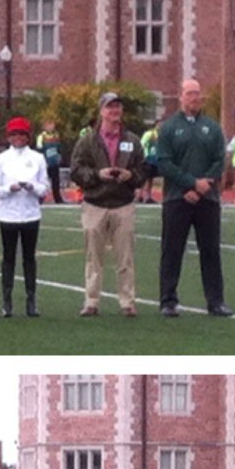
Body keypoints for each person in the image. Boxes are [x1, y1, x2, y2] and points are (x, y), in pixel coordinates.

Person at [156, 78, 231, 318]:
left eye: (197, 93)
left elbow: (220, 159)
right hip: (177, 199)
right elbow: (164, 163)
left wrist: (203, 185)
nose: (194, 98)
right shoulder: (168, 128)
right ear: (180, 96)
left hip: (207, 199)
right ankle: (168, 300)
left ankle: (215, 301)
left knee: (210, 250)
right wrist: (189, 184)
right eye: (190, 93)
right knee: (172, 250)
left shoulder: (212, 127)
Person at [70, 92, 145, 318]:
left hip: (123, 203)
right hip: (96, 203)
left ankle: (127, 302)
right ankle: (91, 301)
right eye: (110, 107)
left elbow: (143, 169)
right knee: (94, 257)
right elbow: (76, 169)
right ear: (101, 111)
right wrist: (96, 175)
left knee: (125, 257)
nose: (114, 111)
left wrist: (130, 175)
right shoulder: (88, 140)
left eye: (118, 107)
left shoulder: (132, 141)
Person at [0, 117, 48, 318]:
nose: (18, 138)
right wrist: (9, 188)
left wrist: (32, 187)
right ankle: (7, 301)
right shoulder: (1, 159)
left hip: (30, 214)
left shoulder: (38, 158)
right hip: (8, 215)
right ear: (9, 137)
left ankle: (31, 301)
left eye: (21, 134)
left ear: (28, 136)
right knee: (8, 258)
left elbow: (44, 187)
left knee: (29, 258)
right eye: (14, 134)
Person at [35, 120, 65, 202]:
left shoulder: (56, 135)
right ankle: (40, 199)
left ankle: (58, 199)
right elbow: (39, 150)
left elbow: (59, 149)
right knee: (43, 181)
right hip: (45, 163)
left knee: (56, 182)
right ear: (45, 126)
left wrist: (59, 158)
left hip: (54, 163)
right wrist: (43, 162)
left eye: (52, 124)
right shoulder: (41, 137)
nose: (51, 127)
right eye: (49, 125)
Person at [138, 121, 160, 203]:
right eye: (159, 124)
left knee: (150, 179)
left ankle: (146, 196)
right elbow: (142, 144)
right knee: (145, 178)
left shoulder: (160, 135)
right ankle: (143, 196)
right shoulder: (149, 134)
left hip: (155, 160)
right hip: (147, 159)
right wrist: (142, 156)